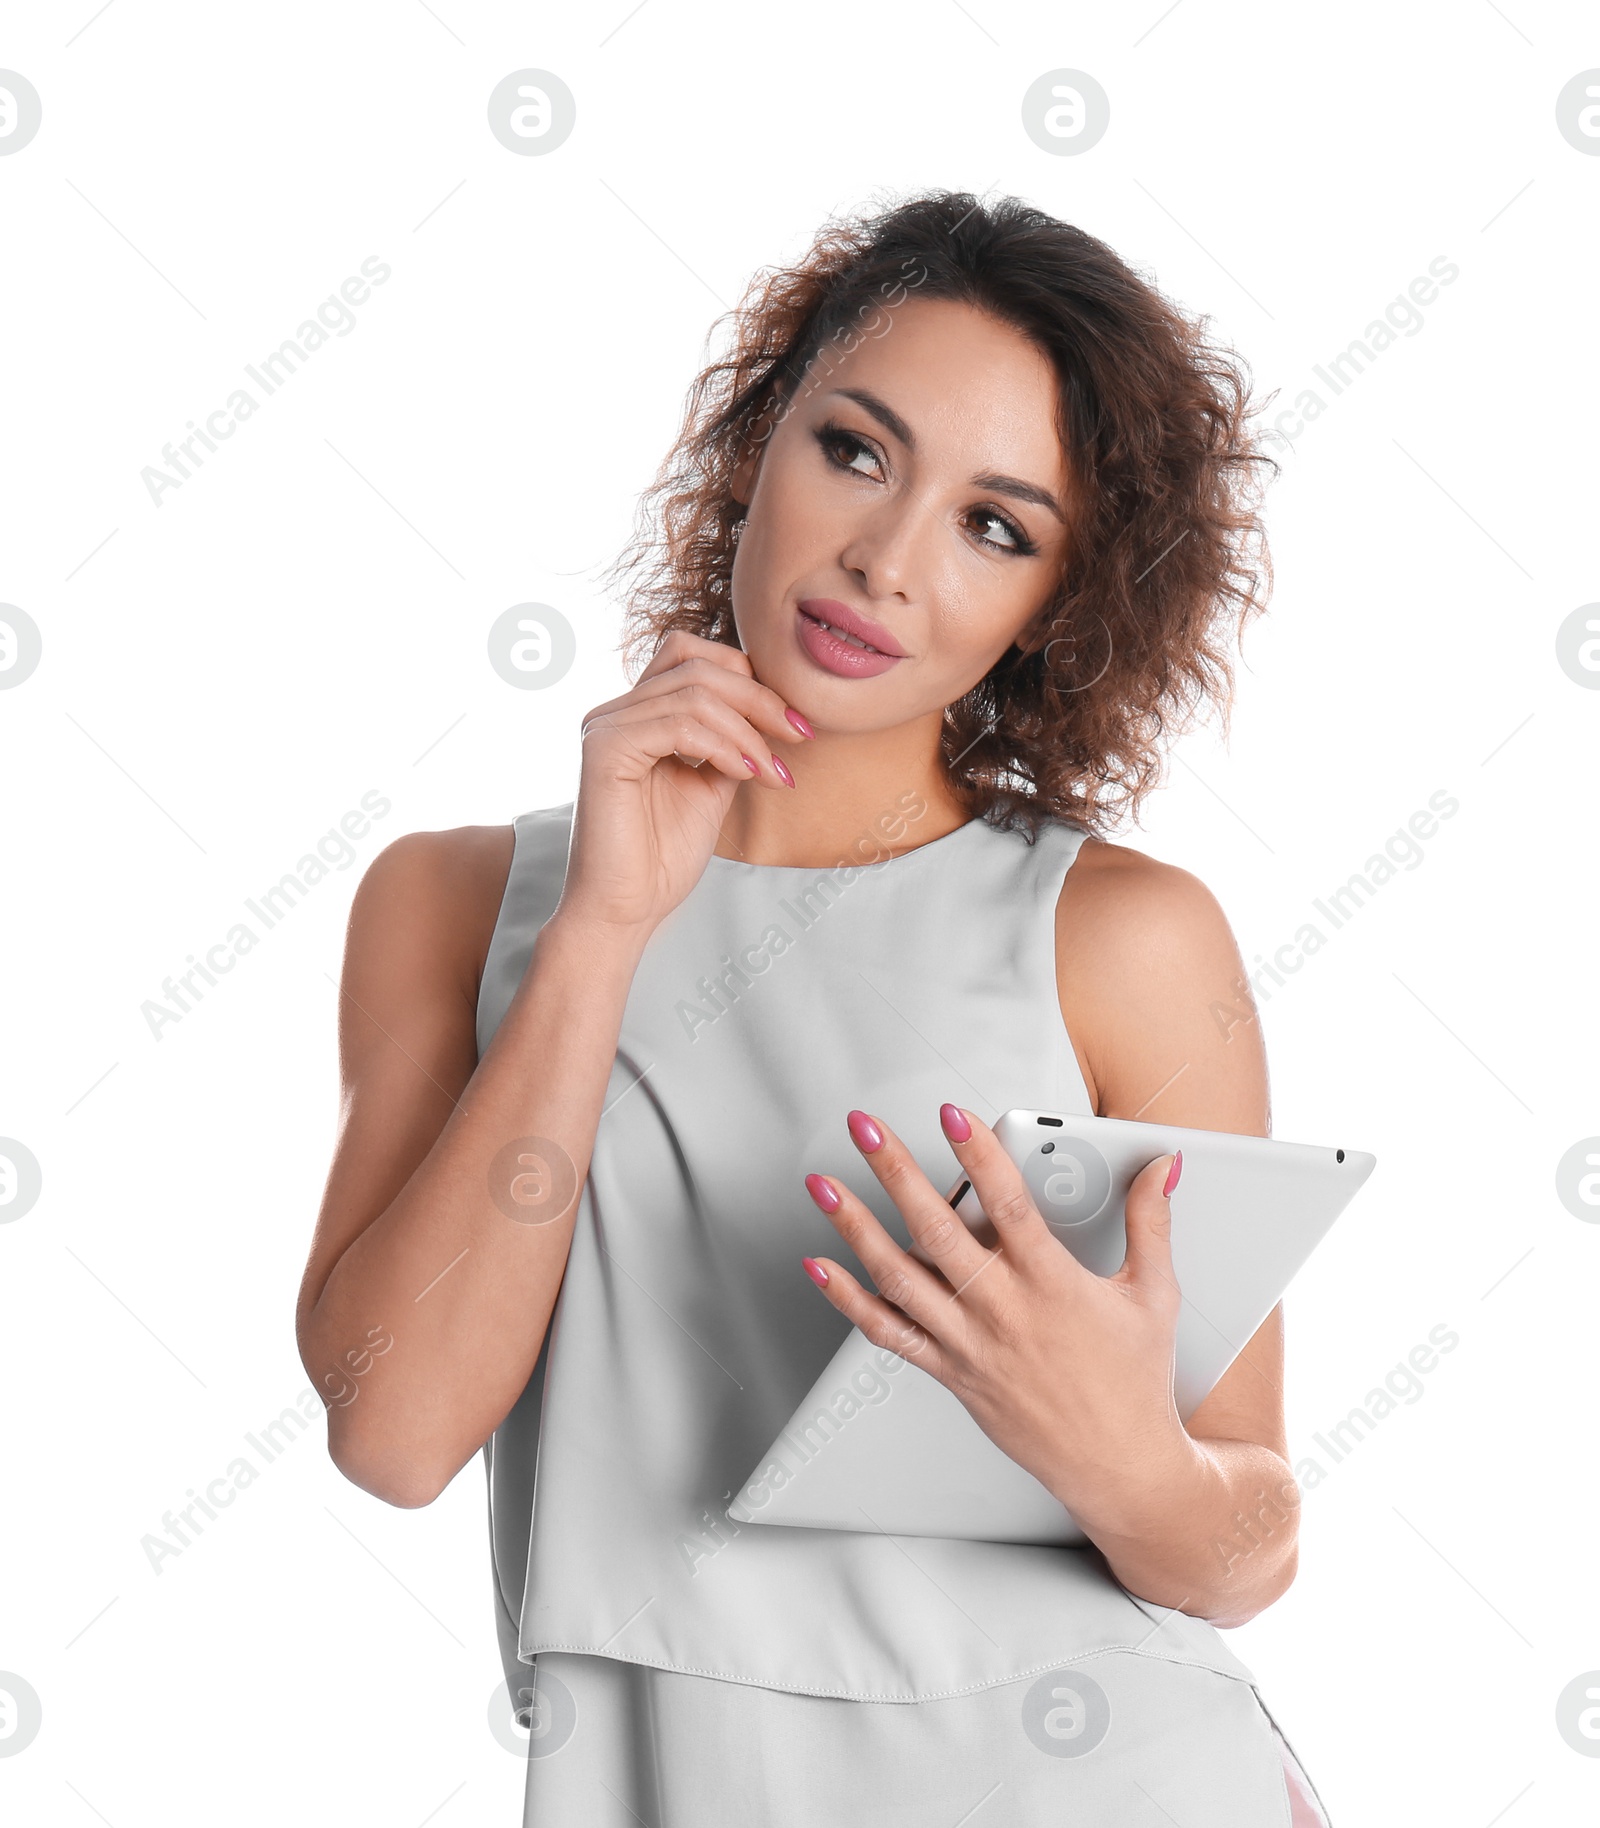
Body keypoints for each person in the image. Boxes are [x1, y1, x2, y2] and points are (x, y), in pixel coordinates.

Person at [296, 190, 1333, 1825]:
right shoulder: (452, 902)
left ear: (1053, 606)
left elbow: (1248, 1539)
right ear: (757, 444)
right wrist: (602, 935)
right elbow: (396, 1430)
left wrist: (1119, 1454)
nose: (886, 560)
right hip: (673, 1773)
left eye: (997, 527)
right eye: (858, 449)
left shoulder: (1121, 934)